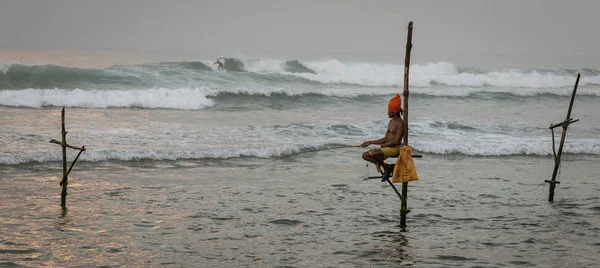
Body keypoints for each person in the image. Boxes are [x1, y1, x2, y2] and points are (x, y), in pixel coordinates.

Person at [360, 94, 404, 181]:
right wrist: (370, 142)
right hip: (387, 148)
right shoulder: (391, 122)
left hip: (395, 149)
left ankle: (387, 168)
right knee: (365, 155)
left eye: (389, 110)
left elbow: (397, 141)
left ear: (394, 111)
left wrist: (384, 145)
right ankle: (387, 166)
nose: (388, 112)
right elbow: (385, 138)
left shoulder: (400, 123)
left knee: (376, 153)